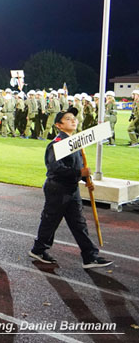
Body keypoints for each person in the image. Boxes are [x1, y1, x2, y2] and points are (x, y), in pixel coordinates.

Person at [29, 108, 113, 269]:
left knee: (78, 223)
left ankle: (89, 256)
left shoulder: (75, 143)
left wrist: (85, 178)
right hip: (57, 189)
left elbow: (78, 165)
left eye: (74, 118)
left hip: (71, 189)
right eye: (68, 119)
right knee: (50, 220)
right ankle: (39, 250)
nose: (73, 120)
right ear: (59, 125)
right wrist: (79, 172)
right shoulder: (57, 144)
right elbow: (54, 168)